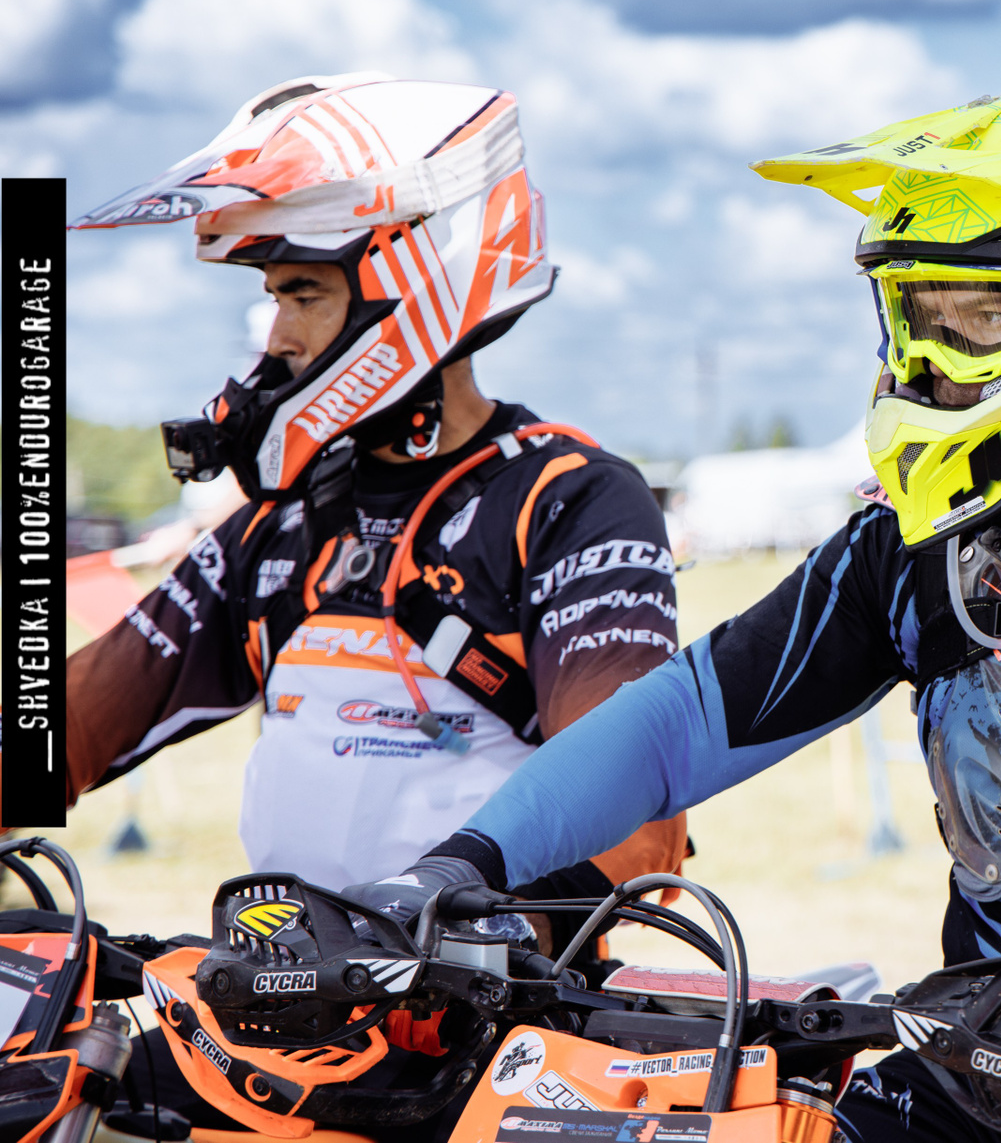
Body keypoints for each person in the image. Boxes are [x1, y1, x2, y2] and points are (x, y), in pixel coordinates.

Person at [345, 94, 1001, 1141]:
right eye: (917, 315)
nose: (931, 360)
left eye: (981, 317)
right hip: (981, 1064)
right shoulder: (910, 545)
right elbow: (679, 720)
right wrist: (460, 866)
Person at [59, 73, 689, 901]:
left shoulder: (566, 502)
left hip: (495, 980)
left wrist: (484, 930)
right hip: (278, 970)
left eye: (304, 294)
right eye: (275, 297)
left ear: (424, 283)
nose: (276, 338)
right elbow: (70, 723)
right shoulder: (284, 522)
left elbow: (632, 816)